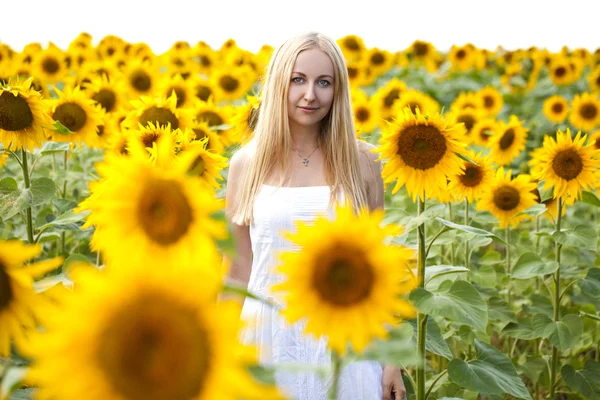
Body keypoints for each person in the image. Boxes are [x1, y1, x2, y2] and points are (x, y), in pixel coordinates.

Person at [225, 32, 406, 400]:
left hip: (346, 341)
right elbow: (237, 270)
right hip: (265, 338)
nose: (311, 94)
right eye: (298, 80)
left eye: (324, 82)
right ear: (279, 84)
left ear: (338, 91)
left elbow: (377, 270)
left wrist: (391, 360)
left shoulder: (363, 162)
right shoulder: (247, 164)